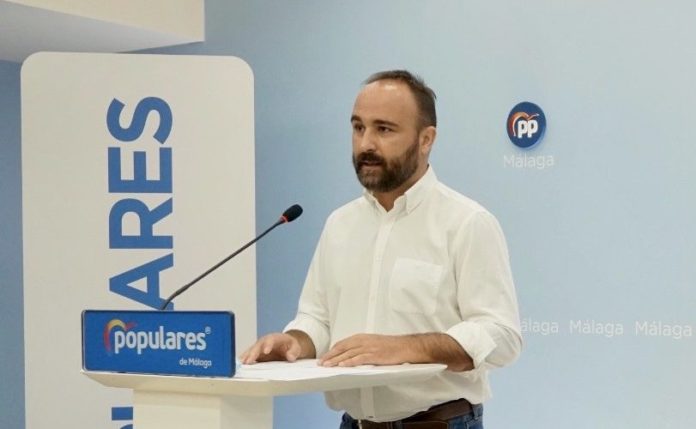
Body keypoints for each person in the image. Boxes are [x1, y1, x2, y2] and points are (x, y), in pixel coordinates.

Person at [241, 70, 522, 429]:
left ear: (426, 139)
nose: (366, 144)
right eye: (358, 128)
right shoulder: (340, 224)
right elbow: (319, 319)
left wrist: (408, 348)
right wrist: (295, 341)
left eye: (384, 129)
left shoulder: (467, 222)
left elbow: (501, 335)